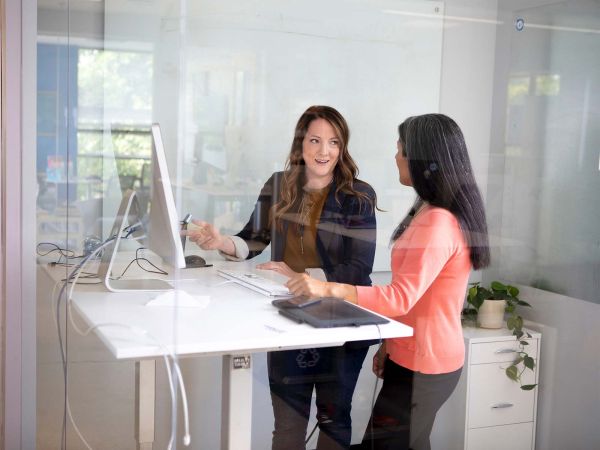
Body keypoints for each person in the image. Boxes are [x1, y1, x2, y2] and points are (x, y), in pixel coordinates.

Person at [285, 113, 491, 450]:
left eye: (401, 150)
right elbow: (417, 294)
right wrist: (389, 344)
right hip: (412, 355)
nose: (396, 156)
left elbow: (400, 297)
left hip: (426, 363)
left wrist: (325, 288)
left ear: (424, 159)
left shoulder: (438, 221)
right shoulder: (428, 208)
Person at [185, 105, 378, 449]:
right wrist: (221, 241)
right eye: (315, 140)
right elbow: (254, 239)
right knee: (288, 425)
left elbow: (359, 268)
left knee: (334, 420)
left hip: (341, 318)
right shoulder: (279, 184)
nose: (324, 151)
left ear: (342, 147)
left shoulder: (358, 196)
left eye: (333, 142)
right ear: (300, 144)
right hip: (291, 318)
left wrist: (299, 274)